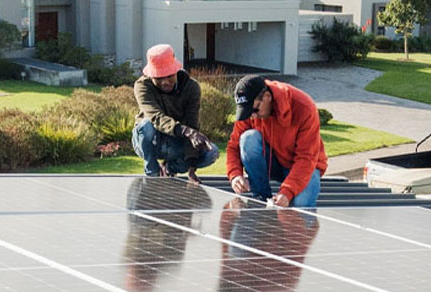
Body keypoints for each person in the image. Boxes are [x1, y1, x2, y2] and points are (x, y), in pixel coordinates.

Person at [226, 75, 328, 207]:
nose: (253, 115)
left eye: (255, 110)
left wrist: (287, 191)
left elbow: (306, 158)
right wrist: (235, 175)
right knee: (248, 139)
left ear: (267, 97)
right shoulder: (250, 107)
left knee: (301, 205)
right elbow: (234, 145)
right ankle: (260, 197)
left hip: (306, 166)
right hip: (275, 162)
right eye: (248, 112)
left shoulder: (304, 107)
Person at [133, 44, 219, 184]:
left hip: (174, 141)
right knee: (146, 125)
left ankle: (169, 169)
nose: (165, 82)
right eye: (158, 78)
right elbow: (156, 117)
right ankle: (152, 173)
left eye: (169, 76)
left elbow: (192, 124)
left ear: (176, 71)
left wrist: (191, 168)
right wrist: (187, 132)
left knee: (211, 152)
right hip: (149, 142)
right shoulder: (142, 86)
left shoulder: (191, 87)